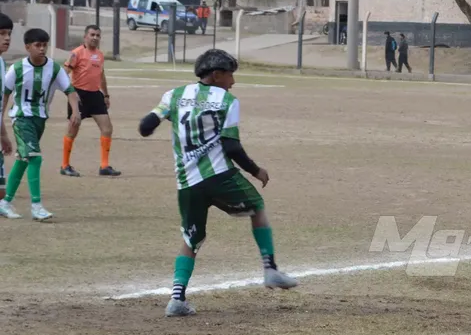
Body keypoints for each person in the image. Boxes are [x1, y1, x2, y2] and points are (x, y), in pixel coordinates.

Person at [137, 49, 298, 317]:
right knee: (256, 207)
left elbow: (145, 126)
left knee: (191, 237)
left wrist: (158, 122)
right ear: (217, 75)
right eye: (230, 75)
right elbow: (231, 146)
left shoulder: (174, 96)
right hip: (220, 176)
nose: (233, 82)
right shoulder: (227, 100)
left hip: (187, 183)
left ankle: (176, 298)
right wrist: (256, 171)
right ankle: (270, 269)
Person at [0, 28, 81, 221]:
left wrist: (76, 112)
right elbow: (4, 96)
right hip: (21, 119)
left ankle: (5, 202)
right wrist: (1, 124)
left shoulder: (54, 68)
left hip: (40, 120)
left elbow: (70, 90)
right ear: (28, 47)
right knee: (35, 158)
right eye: (38, 45)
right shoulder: (17, 68)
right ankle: (36, 206)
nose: (42, 49)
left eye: (45, 45)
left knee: (23, 160)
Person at [61, 25, 121, 177]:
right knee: (73, 129)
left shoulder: (100, 55)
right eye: (92, 34)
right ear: (85, 36)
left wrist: (106, 95)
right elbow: (63, 75)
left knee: (107, 128)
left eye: (98, 35)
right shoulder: (76, 54)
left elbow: (101, 76)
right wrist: (70, 94)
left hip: (95, 95)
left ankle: (104, 166)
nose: (95, 37)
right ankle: (65, 165)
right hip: (79, 95)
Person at [0, 13, 12, 187]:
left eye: (9, 33)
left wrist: (2, 134)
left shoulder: (2, 62)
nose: (7, 38)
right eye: (2, 33)